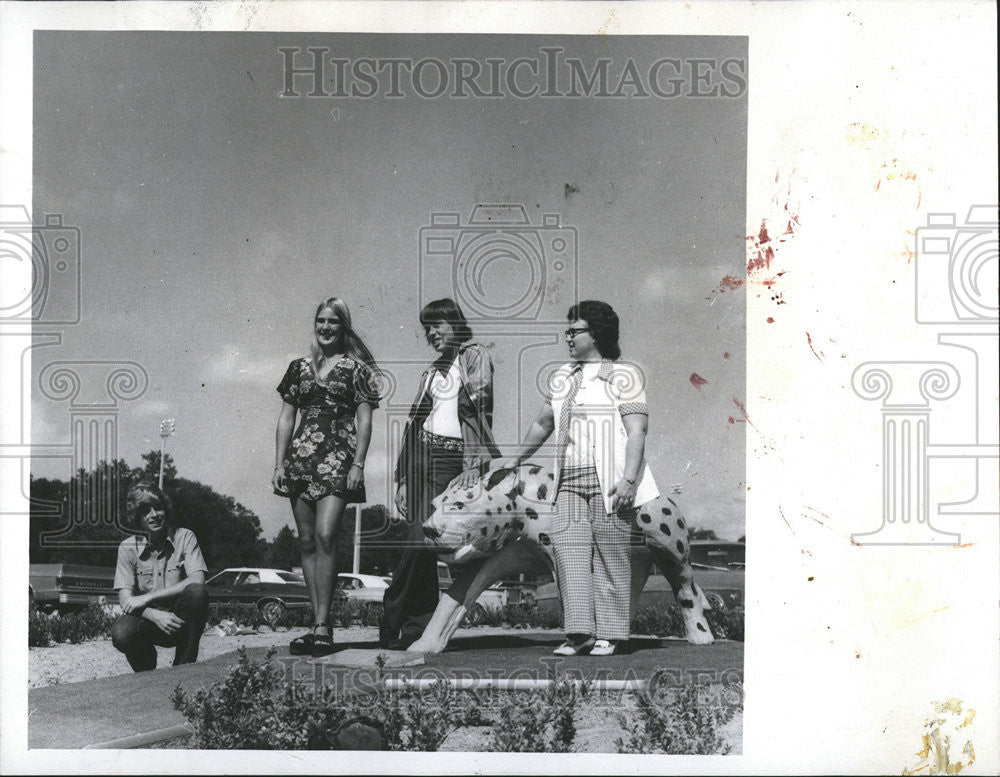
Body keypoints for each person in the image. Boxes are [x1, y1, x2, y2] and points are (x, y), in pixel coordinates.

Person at [500, 300, 657, 656]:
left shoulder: (624, 375)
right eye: (567, 331)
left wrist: (630, 480)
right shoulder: (561, 378)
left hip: (611, 481)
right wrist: (515, 460)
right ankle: (579, 633)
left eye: (575, 331)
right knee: (568, 553)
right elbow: (543, 424)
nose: (568, 337)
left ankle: (611, 634)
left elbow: (637, 431)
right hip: (568, 479)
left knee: (610, 555)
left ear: (596, 333)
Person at [380, 298, 500, 650]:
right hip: (419, 458)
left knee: (422, 540)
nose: (431, 333)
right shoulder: (430, 372)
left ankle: (392, 613)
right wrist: (402, 477)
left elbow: (481, 411)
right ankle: (417, 628)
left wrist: (473, 466)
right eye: (427, 328)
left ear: (456, 324)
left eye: (438, 325)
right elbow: (413, 425)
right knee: (416, 543)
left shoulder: (472, 356)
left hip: (450, 459)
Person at [272, 297, 381, 657]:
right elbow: (287, 417)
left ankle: (323, 623)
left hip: (338, 458)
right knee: (305, 541)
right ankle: (317, 624)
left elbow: (365, 419)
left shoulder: (356, 369)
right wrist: (279, 463)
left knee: (325, 534)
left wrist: (358, 464)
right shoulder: (298, 368)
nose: (326, 327)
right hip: (302, 460)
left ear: (343, 327)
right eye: (320, 320)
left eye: (333, 322)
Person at [111, 481, 209, 672]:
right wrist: (153, 614)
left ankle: (183, 667)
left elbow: (198, 580)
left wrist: (148, 597)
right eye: (146, 510)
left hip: (180, 621)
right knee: (122, 633)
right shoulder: (126, 548)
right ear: (136, 516)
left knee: (197, 593)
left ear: (166, 510)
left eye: (158, 508)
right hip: (147, 622)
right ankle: (146, 672)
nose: (154, 515)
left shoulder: (185, 537)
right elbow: (125, 600)